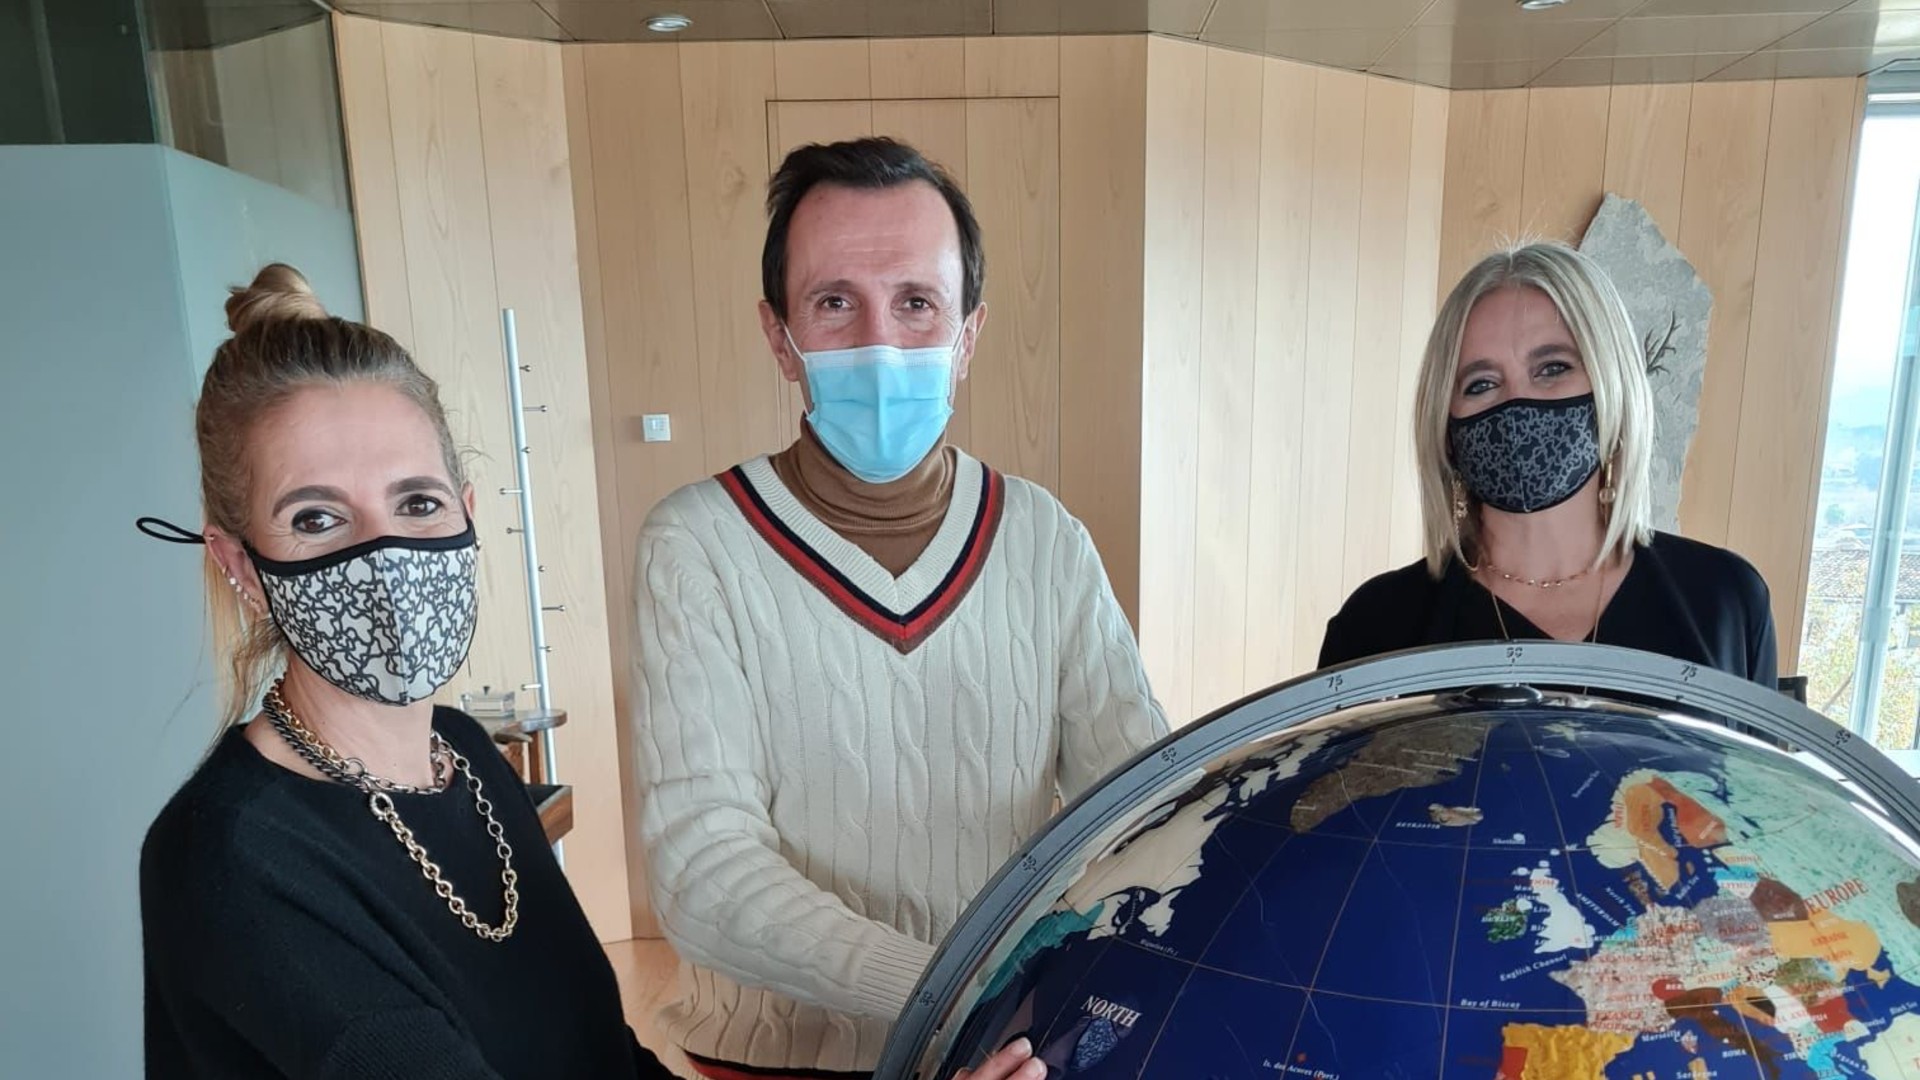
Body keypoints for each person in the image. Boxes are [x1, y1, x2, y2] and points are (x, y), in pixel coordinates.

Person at [630, 138, 1170, 1078]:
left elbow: (1140, 807)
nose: (880, 344)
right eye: (835, 303)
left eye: (917, 303)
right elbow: (704, 874)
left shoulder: (1044, 538)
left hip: (1005, 1054)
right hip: (779, 1064)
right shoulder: (697, 543)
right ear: (780, 337)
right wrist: (956, 984)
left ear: (968, 334)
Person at [137, 265, 672, 1079]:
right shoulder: (228, 856)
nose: (383, 556)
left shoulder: (465, 753)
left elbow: (607, 1058)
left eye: (417, 504)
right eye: (317, 518)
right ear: (239, 563)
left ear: (467, 514)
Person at [1319, 241, 1778, 686]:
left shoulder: (1724, 601)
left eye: (1553, 368)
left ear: (1612, 386)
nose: (1517, 403)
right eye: (1481, 384)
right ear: (1445, 426)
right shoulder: (1375, 627)